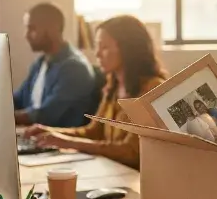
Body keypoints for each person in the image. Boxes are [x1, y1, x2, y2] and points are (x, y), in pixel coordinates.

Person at [24, 15, 167, 167]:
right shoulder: (113, 86)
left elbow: (131, 152)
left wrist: (68, 142)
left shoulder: (154, 89)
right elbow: (93, 132)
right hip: (111, 171)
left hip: (136, 180)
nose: (97, 54)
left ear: (128, 49)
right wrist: (50, 132)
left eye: (104, 47)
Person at [13, 2, 96, 128]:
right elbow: (19, 99)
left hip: (57, 142)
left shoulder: (74, 68)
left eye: (32, 28)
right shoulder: (40, 63)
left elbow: (45, 116)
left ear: (53, 28)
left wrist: (5, 119)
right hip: (34, 136)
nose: (26, 35)